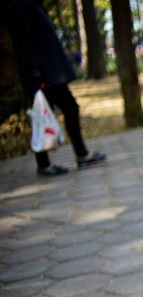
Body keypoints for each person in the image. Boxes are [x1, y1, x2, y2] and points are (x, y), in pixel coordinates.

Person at [4, 0, 106, 177]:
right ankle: (57, 161)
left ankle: (69, 157)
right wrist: (34, 74)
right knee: (50, 114)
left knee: (52, 113)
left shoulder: (28, 5)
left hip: (48, 73)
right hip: (43, 75)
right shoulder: (19, 6)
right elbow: (23, 43)